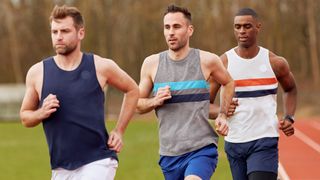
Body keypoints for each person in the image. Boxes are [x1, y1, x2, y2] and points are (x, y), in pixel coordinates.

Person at [20, 5, 139, 180]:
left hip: (98, 160)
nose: (58, 37)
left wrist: (119, 130)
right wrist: (41, 112)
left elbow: (132, 90)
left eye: (65, 31)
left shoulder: (100, 66)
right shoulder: (37, 73)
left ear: (80, 33)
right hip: (60, 167)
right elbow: (25, 117)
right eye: (54, 32)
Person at [136, 4, 234, 180]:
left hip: (202, 148)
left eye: (176, 26)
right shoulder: (151, 64)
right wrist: (154, 101)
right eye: (167, 27)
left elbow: (228, 82)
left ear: (190, 30)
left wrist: (223, 114)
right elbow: (136, 104)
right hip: (169, 154)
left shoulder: (207, 60)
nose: (171, 32)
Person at [213, 8, 297, 180]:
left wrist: (289, 117)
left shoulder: (275, 63)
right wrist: (221, 111)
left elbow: (290, 89)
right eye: (237, 27)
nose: (242, 31)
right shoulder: (223, 63)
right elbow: (204, 103)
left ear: (258, 27)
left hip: (264, 139)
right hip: (234, 141)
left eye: (247, 26)